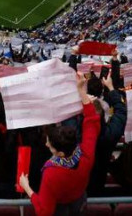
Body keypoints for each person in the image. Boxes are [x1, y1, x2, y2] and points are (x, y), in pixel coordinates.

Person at [19, 72, 101, 216]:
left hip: (60, 208)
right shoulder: (85, 155)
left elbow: (44, 211)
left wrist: (27, 189)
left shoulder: (51, 174)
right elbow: (92, 122)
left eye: (49, 145)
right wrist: (81, 91)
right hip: (79, 200)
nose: (46, 145)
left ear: (60, 153)